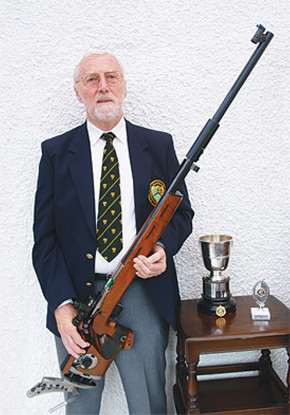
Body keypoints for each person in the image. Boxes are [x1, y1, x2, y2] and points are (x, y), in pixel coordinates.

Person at [32, 51, 194, 415]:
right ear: (78, 92)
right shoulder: (56, 153)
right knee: (80, 406)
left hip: (142, 294)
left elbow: (181, 214)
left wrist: (163, 250)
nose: (103, 87)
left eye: (111, 77)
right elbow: (44, 240)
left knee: (149, 405)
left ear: (123, 85)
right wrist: (60, 306)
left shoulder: (158, 145)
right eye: (91, 79)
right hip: (77, 303)